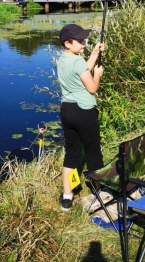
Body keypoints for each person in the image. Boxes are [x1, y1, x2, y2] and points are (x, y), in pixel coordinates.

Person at [57, 23, 104, 211]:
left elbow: (81, 71)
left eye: (84, 40)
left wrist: (93, 53)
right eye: (80, 40)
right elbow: (92, 87)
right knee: (93, 152)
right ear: (68, 43)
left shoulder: (63, 60)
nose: (83, 43)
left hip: (67, 112)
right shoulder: (76, 61)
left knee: (72, 154)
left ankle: (67, 198)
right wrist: (98, 74)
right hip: (84, 111)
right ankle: (99, 192)